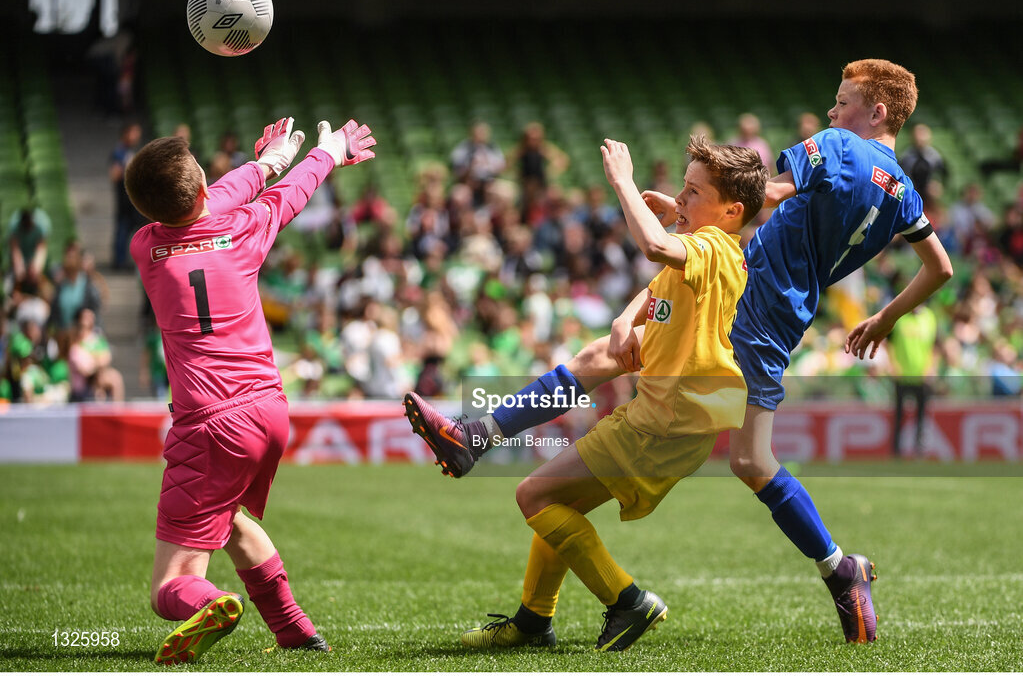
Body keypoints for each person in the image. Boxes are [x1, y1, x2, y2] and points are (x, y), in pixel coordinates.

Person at [405, 59, 954, 644]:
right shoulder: (904, 193)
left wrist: (686, 209)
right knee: (739, 453)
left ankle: (482, 444)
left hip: (743, 299)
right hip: (779, 321)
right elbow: (939, 267)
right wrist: (884, 317)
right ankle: (839, 568)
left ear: (877, 112)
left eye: (843, 101)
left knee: (611, 373)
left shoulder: (842, 144)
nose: (832, 111)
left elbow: (759, 193)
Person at [409, 134, 766, 651]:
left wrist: (622, 182)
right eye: (682, 189)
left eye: (692, 192)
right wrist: (625, 317)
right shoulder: (709, 247)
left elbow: (656, 247)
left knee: (533, 495)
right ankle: (532, 619)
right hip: (678, 417)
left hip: (664, 420)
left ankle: (628, 601)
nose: (679, 199)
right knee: (571, 462)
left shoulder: (711, 248)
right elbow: (662, 279)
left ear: (731, 211)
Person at [127, 115, 375, 664]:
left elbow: (210, 199)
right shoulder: (241, 230)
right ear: (199, 185)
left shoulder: (145, 248)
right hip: (268, 410)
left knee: (169, 586)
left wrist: (266, 163)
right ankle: (295, 631)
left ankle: (209, 601)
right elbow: (285, 197)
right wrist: (320, 154)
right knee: (231, 518)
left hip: (211, 423)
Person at [888, 304, 937, 456]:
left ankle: (919, 451)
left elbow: (935, 346)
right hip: (902, 375)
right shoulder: (900, 315)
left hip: (921, 376)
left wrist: (931, 368)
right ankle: (896, 451)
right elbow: (888, 342)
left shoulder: (930, 318)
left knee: (921, 416)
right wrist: (893, 365)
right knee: (899, 415)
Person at [110, 121, 144, 270]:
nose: (137, 136)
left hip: (132, 200)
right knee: (123, 230)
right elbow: (114, 175)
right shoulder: (119, 152)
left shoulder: (130, 151)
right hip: (125, 200)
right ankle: (119, 261)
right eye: (134, 132)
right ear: (126, 133)